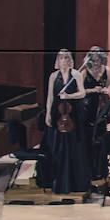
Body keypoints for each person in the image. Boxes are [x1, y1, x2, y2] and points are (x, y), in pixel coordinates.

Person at [44, 49, 88, 196]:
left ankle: (75, 184)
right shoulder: (53, 76)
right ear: (58, 60)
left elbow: (82, 92)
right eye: (62, 58)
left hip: (72, 115)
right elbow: (50, 96)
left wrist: (69, 95)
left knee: (73, 148)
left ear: (70, 60)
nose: (64, 60)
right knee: (59, 148)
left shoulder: (75, 74)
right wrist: (48, 114)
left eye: (67, 58)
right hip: (58, 115)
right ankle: (59, 183)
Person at [81, 46, 110, 184]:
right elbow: (81, 91)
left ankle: (100, 171)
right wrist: (93, 90)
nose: (96, 63)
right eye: (93, 60)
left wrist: (106, 89)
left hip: (102, 106)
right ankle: (89, 172)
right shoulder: (84, 72)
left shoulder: (106, 70)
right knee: (89, 139)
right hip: (88, 107)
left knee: (101, 139)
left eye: (98, 60)